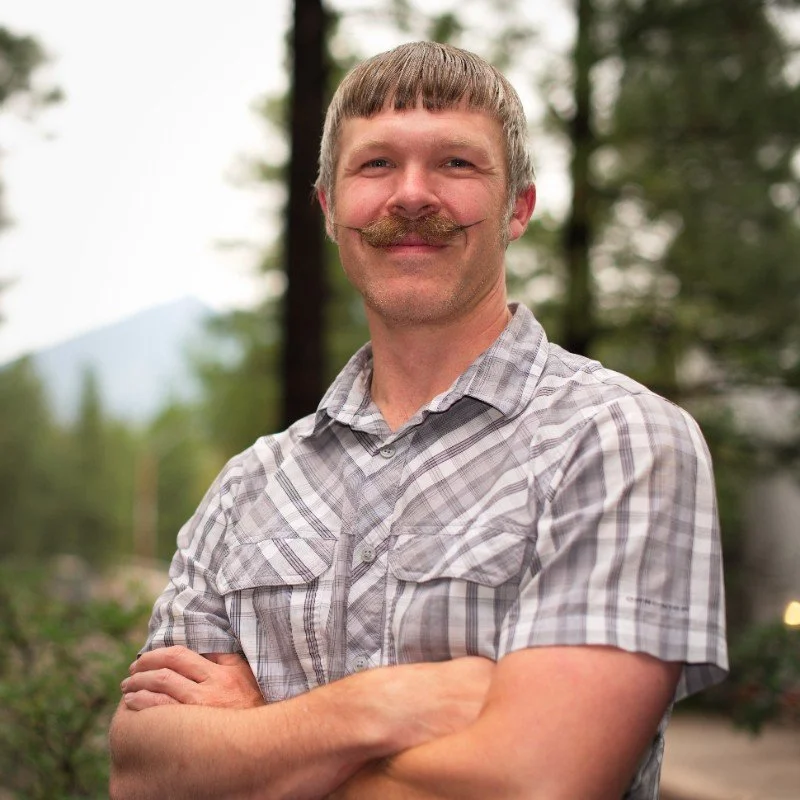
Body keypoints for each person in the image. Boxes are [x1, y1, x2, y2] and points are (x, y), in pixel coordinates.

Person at [109, 41, 727, 799]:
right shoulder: (248, 488)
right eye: (376, 165)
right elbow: (142, 774)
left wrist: (255, 738)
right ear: (330, 209)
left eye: (456, 164)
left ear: (518, 208)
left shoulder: (618, 441)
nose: (411, 195)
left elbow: (538, 784)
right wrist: (375, 707)